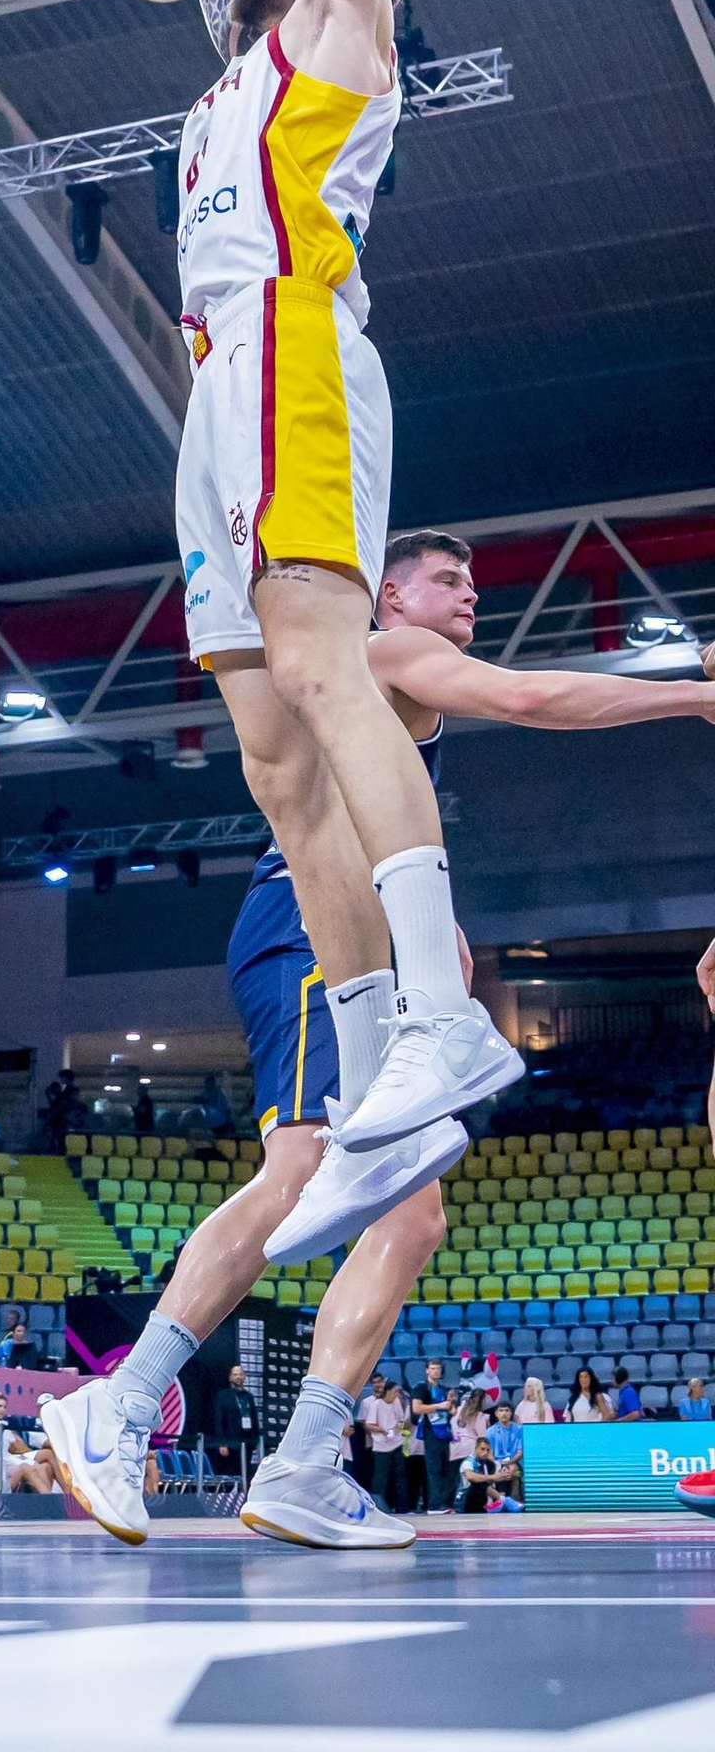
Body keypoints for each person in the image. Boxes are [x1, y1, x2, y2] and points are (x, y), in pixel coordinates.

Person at [43, 527, 715, 1548]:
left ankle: (306, 1460)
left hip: (347, 943)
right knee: (300, 1170)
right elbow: (534, 700)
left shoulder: (388, 698)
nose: (469, 595)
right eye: (447, 579)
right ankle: (120, 1404)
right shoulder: (386, 652)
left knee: (409, 1219)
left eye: (474, 582)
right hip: (309, 935)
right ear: (388, 597)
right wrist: (694, 692)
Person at [169, 0, 522, 1201]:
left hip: (296, 343)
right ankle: (378, 1049)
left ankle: (448, 1009)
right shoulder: (235, 43)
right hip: (212, 385)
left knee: (331, 673)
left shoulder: (349, 19)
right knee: (268, 744)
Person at [412, 1360, 456, 1512]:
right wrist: (439, 1406)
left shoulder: (444, 1389)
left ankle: (443, 1503)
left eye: (438, 1368)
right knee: (434, 1469)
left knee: (445, 1469)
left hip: (444, 1432)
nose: (436, 1371)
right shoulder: (421, 1388)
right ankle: (434, 1505)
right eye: (433, 1368)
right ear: (427, 1371)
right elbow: (416, 1408)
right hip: (431, 1431)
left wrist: (451, 1403)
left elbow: (451, 1410)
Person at [360, 1378, 406, 1512]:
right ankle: (379, 1506)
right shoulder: (376, 1404)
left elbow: (401, 1419)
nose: (397, 1394)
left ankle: (402, 1506)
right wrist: (383, 1430)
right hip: (381, 1445)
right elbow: (369, 1424)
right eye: (395, 1392)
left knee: (400, 1475)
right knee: (380, 1477)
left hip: (396, 1442)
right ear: (389, 1391)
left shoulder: (396, 1402)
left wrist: (397, 1427)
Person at [209, 1362, 261, 1478]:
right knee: (231, 1474)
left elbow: (254, 1419)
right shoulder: (223, 1396)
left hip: (247, 1443)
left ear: (244, 1377)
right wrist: (222, 1443)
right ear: (230, 1377)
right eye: (235, 1374)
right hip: (230, 1443)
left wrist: (256, 1441)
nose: (238, 1377)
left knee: (245, 1474)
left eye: (240, 1374)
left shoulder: (249, 1397)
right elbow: (218, 1420)